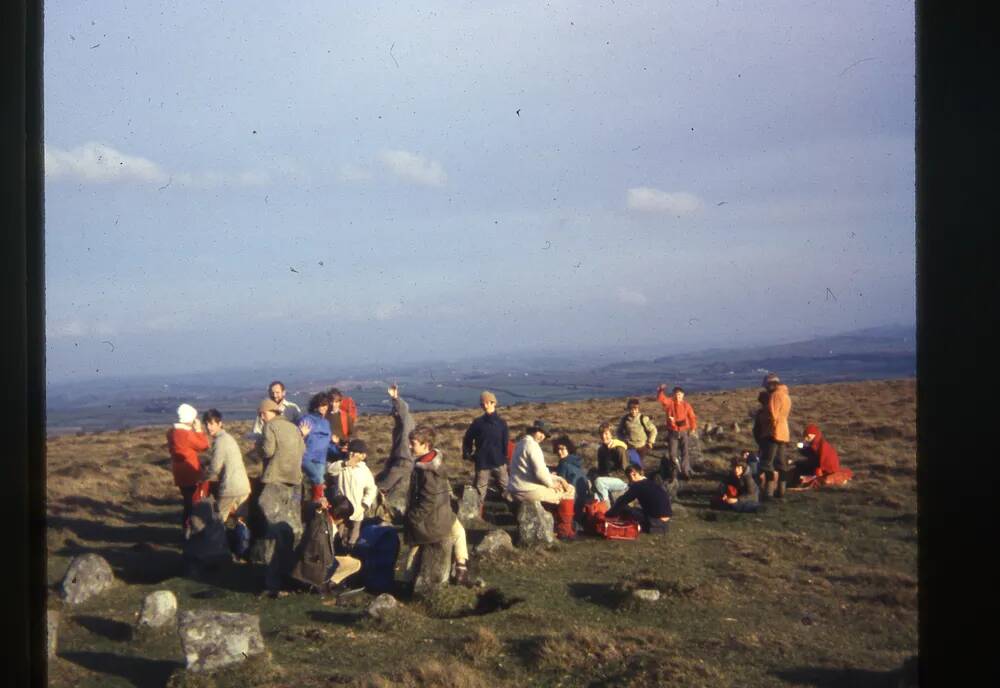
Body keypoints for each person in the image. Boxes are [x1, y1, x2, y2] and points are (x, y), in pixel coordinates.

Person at [404, 425, 472, 586]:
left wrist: (412, 519)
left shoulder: (426, 471)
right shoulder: (435, 461)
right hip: (442, 515)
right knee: (459, 531)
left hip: (431, 522)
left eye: (413, 443)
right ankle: (461, 569)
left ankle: (408, 582)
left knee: (414, 549)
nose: (409, 446)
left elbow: (428, 501)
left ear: (425, 445)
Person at [258, 397, 306, 596]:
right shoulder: (293, 428)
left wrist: (258, 449)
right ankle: (292, 576)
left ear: (264, 414)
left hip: (275, 480)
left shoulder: (270, 428)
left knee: (272, 530)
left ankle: (272, 582)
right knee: (291, 530)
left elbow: (268, 450)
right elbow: (303, 449)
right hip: (295, 482)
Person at [508, 422, 576, 539]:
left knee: (558, 487)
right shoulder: (533, 446)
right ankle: (564, 531)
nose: (542, 436)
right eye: (541, 432)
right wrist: (552, 484)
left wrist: (558, 478)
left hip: (516, 488)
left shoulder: (520, 444)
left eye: (544, 434)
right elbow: (540, 473)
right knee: (568, 491)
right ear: (534, 431)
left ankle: (552, 525)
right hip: (527, 490)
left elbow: (535, 472)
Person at [290, 494, 362, 594]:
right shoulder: (320, 521)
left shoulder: (328, 523)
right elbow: (311, 509)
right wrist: (318, 506)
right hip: (314, 566)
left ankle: (327, 584)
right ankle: (324, 585)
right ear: (342, 517)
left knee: (353, 562)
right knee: (354, 564)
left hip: (317, 563)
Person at [167, 403, 210, 539]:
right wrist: (198, 430)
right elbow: (204, 446)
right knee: (193, 503)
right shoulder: (186, 434)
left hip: (178, 472)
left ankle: (186, 528)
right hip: (190, 472)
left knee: (187, 502)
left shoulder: (171, 432)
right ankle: (192, 530)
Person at [201, 408, 251, 525]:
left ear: (220, 423)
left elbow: (215, 468)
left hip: (230, 487)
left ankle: (217, 543)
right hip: (243, 485)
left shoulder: (220, 441)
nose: (209, 427)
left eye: (212, 423)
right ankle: (242, 542)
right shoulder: (229, 438)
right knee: (241, 521)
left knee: (218, 520)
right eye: (206, 424)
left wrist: (203, 477)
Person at [462, 391, 511, 505]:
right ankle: (476, 518)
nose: (485, 405)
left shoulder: (502, 423)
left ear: (494, 403)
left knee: (508, 490)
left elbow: (505, 443)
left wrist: (505, 458)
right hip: (483, 463)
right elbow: (468, 438)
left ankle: (514, 512)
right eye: (483, 403)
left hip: (499, 462)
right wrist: (467, 453)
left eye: (488, 402)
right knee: (479, 493)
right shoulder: (478, 423)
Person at [326, 438, 377, 548]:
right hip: (342, 509)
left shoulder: (364, 470)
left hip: (358, 510)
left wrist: (364, 504)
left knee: (354, 537)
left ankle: (352, 551)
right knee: (338, 535)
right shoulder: (342, 466)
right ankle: (337, 550)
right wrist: (346, 463)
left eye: (355, 452)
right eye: (350, 451)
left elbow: (371, 489)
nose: (352, 454)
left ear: (363, 456)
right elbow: (330, 470)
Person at [606, 464, 673, 535]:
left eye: (629, 477)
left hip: (655, 522)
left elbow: (623, 500)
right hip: (666, 523)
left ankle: (614, 522)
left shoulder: (637, 485)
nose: (629, 481)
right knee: (635, 510)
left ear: (633, 474)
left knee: (625, 509)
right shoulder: (651, 483)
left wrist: (608, 514)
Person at [375, 383, 416, 497]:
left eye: (395, 414)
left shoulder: (405, 421)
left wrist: (395, 398)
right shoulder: (399, 427)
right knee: (377, 480)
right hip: (398, 461)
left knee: (381, 486)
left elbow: (403, 409)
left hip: (404, 463)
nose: (394, 416)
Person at [759, 373, 792, 499]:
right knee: (781, 463)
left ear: (771, 384)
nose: (766, 389)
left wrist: (762, 416)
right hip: (783, 432)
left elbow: (772, 415)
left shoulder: (775, 395)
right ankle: (781, 491)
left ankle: (768, 492)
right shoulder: (785, 395)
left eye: (767, 386)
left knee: (768, 463)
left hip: (772, 432)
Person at [656, 384, 698, 479]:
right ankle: (674, 471)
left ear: (683, 395)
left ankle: (686, 471)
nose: (677, 396)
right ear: (673, 395)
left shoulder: (686, 405)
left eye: (679, 394)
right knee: (672, 454)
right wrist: (661, 390)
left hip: (684, 431)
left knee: (685, 452)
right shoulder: (669, 403)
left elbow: (692, 417)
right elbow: (662, 399)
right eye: (676, 394)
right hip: (673, 432)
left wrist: (693, 428)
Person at [793, 423, 853, 488]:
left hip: (827, 471)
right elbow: (811, 457)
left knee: (824, 480)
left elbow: (820, 462)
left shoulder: (822, 445)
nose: (806, 439)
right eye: (805, 437)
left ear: (814, 435)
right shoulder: (814, 444)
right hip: (819, 469)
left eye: (808, 437)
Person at [299, 392, 333, 501]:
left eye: (326, 405)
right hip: (307, 457)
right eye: (321, 405)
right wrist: (301, 435)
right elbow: (297, 439)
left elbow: (327, 441)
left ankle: (316, 505)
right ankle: (317, 503)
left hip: (321, 459)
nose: (324, 408)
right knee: (318, 479)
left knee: (320, 483)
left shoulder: (326, 423)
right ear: (315, 406)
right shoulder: (307, 419)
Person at [553, 436, 590, 518]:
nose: (559, 452)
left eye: (562, 449)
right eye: (558, 449)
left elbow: (559, 484)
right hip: (581, 503)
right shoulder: (575, 463)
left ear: (568, 449)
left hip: (571, 504)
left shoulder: (564, 464)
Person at [593, 422, 630, 504]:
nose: (603, 436)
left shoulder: (619, 449)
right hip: (606, 479)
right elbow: (601, 468)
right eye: (601, 434)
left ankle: (608, 508)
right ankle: (599, 513)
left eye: (606, 433)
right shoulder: (601, 450)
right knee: (595, 492)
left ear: (611, 434)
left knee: (599, 482)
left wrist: (609, 475)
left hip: (622, 480)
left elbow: (625, 469)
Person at [326, 389, 356, 457]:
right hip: (328, 447)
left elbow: (352, 433)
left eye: (336, 402)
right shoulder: (324, 416)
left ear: (340, 402)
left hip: (343, 446)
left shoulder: (345, 416)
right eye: (331, 402)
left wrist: (346, 442)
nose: (333, 405)